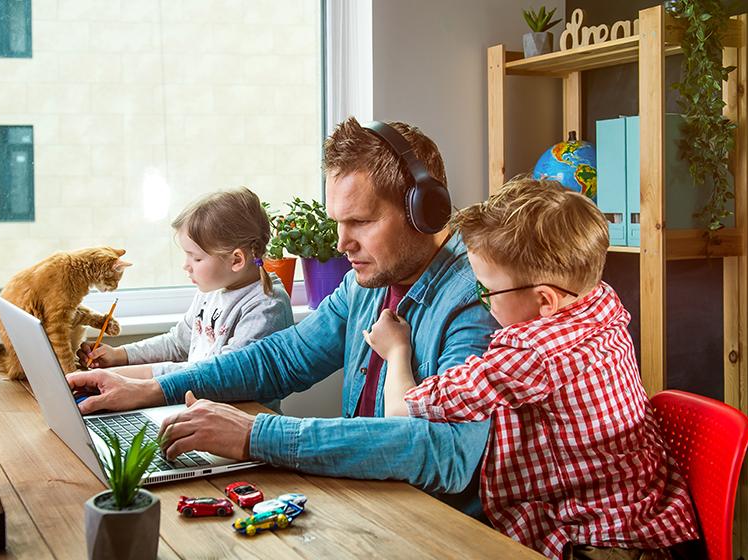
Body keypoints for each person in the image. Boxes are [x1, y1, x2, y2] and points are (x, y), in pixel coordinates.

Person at [67, 117, 499, 513]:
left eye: (361, 222)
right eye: (337, 222)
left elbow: (448, 452)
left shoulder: (478, 298)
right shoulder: (367, 284)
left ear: (425, 211)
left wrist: (255, 435)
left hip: (435, 524)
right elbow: (281, 359)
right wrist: (150, 390)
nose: (341, 242)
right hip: (370, 501)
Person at [366, 177, 698, 559]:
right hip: (653, 520)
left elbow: (401, 408)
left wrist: (396, 350)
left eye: (485, 291)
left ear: (545, 300)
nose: (482, 303)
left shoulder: (531, 355)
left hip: (603, 545)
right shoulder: (599, 301)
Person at [78, 187, 293, 384]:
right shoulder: (212, 290)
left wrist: (129, 376)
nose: (186, 266)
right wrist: (120, 356)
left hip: (238, 417)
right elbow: (178, 343)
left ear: (236, 260)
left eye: (196, 258)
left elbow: (220, 374)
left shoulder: (266, 307)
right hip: (195, 407)